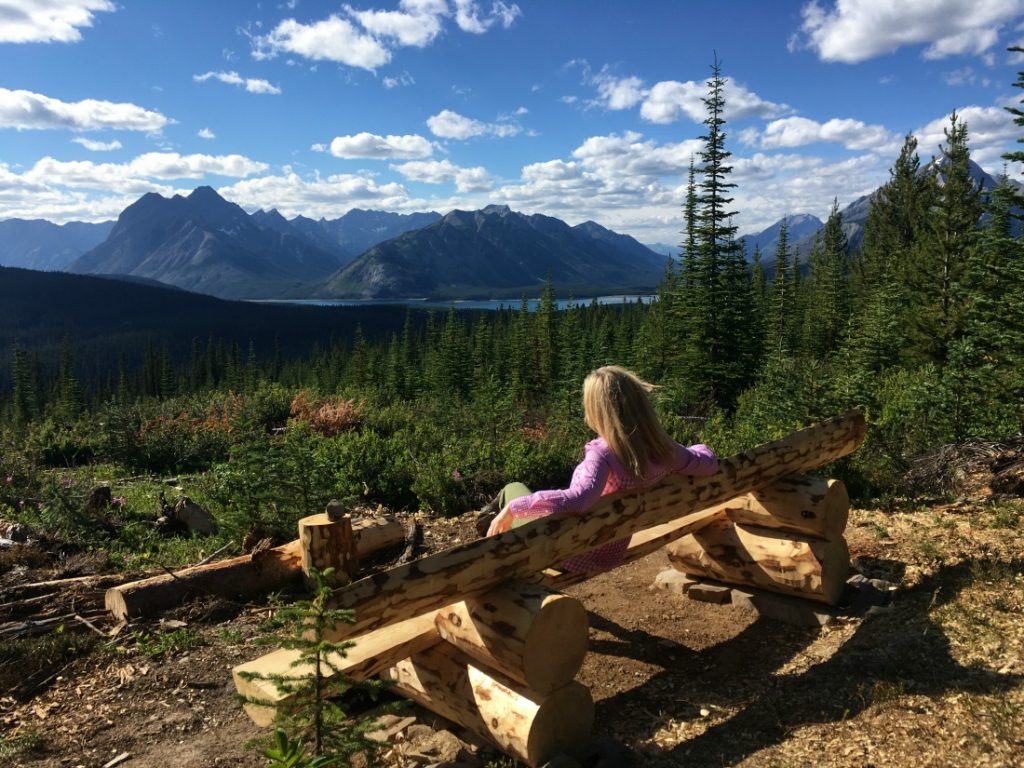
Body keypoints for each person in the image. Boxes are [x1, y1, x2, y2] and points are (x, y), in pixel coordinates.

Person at [484, 365, 719, 572]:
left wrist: (515, 508)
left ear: (598, 411)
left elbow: (578, 499)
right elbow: (708, 464)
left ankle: (492, 526)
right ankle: (493, 521)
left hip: (570, 552)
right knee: (522, 502)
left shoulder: (603, 455)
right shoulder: (665, 450)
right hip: (611, 549)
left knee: (512, 490)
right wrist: (698, 448)